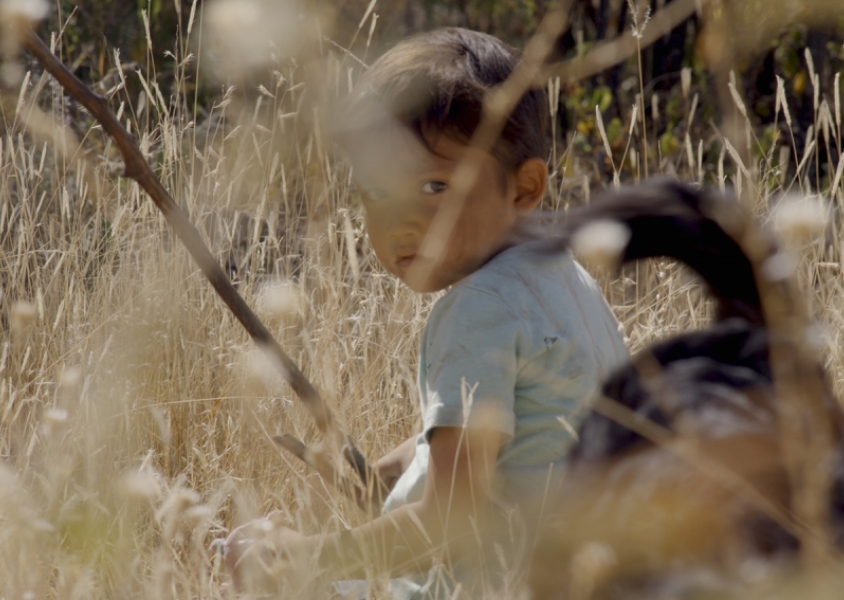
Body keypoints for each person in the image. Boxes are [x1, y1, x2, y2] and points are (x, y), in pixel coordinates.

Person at [224, 27, 629, 599]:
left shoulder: (478, 310)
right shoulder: (563, 276)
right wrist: (384, 476)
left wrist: (309, 560)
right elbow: (502, 437)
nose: (400, 221)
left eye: (435, 185)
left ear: (525, 187)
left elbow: (451, 520)